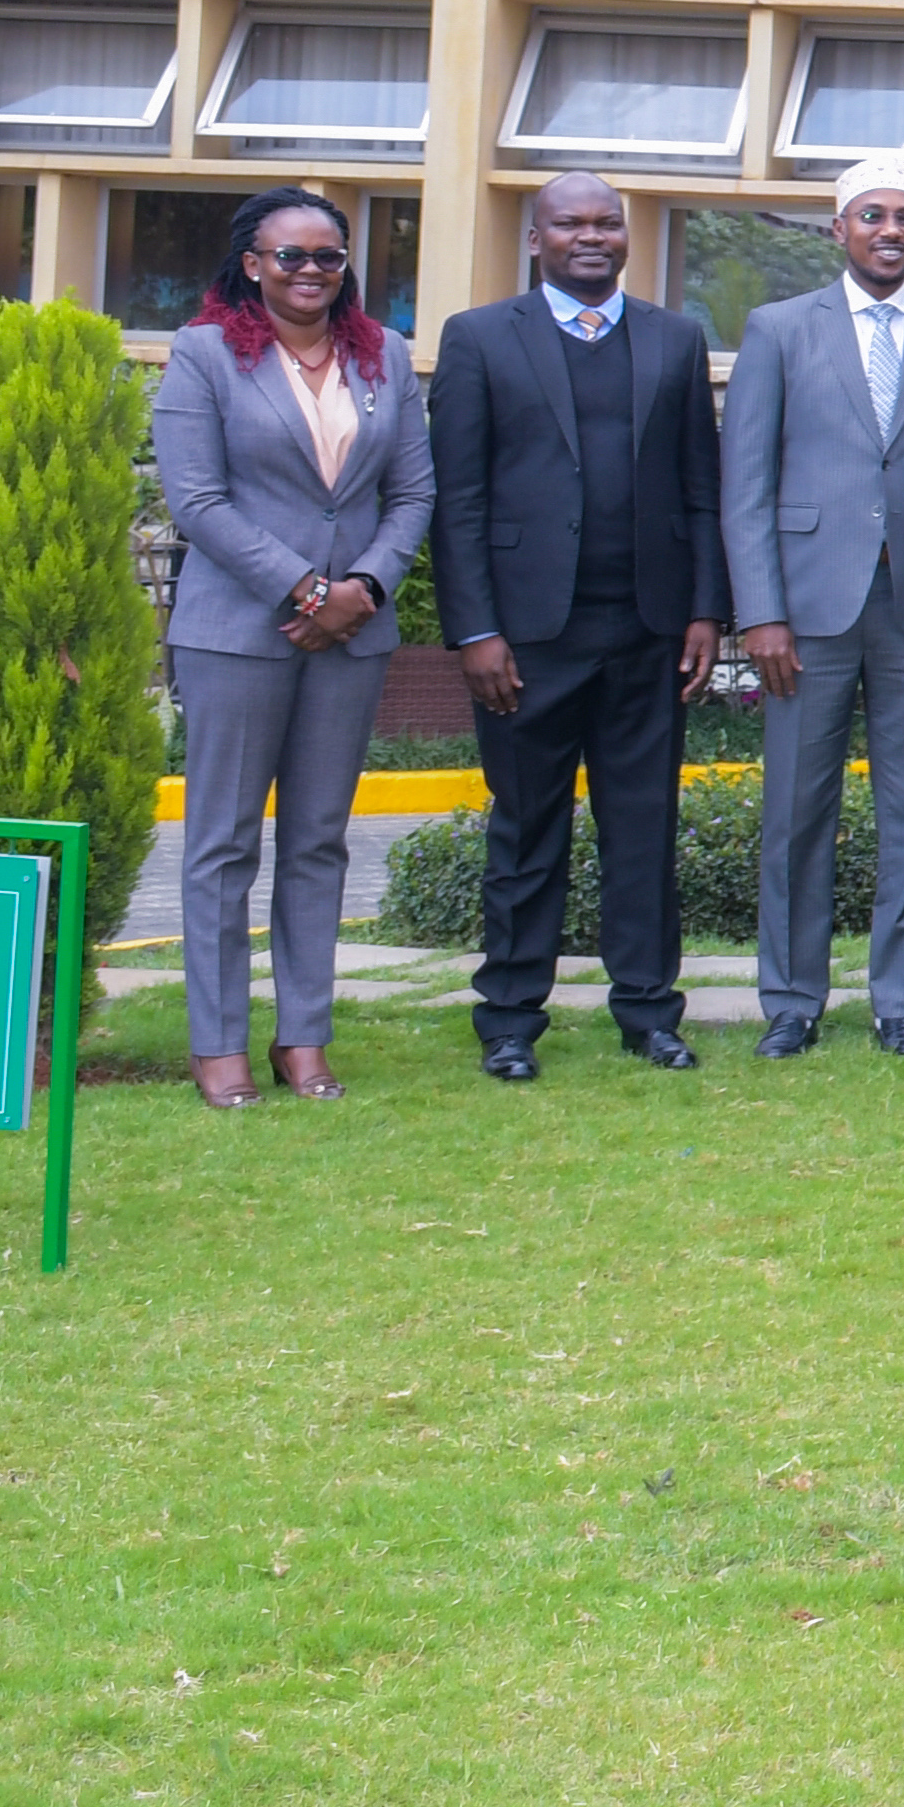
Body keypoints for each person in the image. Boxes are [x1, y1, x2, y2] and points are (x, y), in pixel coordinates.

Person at [429, 174, 725, 1081]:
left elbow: (700, 492)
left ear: (627, 238)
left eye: (606, 223)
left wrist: (707, 611)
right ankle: (511, 1019)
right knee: (526, 830)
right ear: (535, 238)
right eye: (570, 223)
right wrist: (475, 631)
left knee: (644, 829)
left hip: (647, 631)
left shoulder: (674, 339)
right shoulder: (479, 338)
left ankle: (648, 1012)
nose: (590, 237)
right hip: (525, 640)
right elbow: (460, 501)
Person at [148, 188, 430, 1108]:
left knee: (318, 842)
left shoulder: (384, 355)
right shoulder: (203, 355)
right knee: (222, 844)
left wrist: (362, 591)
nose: (311, 272)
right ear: (252, 264)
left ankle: (303, 1037)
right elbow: (196, 500)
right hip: (237, 631)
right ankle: (217, 1042)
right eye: (291, 257)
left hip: (352, 636)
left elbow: (413, 494)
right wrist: (307, 587)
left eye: (329, 258)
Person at [719, 157, 904, 1059]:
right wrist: (760, 613)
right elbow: (744, 483)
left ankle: (899, 1001)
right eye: (872, 216)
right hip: (806, 612)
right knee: (796, 812)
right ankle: (792, 999)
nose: (891, 231)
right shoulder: (779, 329)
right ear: (839, 230)